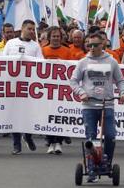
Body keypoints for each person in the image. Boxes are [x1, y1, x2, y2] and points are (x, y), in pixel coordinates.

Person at [70, 33, 124, 183]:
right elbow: (74, 81)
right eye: (89, 45)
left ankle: (106, 162)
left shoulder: (111, 61)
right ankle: (91, 167)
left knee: (110, 135)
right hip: (89, 105)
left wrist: (123, 93)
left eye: (95, 45)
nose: (92, 48)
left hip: (107, 104)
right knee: (91, 137)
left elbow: (121, 81)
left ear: (103, 44)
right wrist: (81, 93)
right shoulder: (83, 62)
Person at [3, 19, 42, 154]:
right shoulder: (11, 43)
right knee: (15, 115)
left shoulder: (35, 46)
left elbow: (41, 64)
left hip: (29, 86)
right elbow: (2, 62)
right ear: (22, 28)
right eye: (29, 29)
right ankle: (16, 144)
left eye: (33, 29)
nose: (31, 31)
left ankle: (28, 136)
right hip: (13, 85)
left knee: (29, 114)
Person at [41, 26, 72, 154]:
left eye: (58, 36)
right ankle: (50, 142)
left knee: (59, 116)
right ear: (49, 38)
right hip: (47, 88)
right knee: (48, 116)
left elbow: (71, 68)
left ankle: (58, 142)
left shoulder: (67, 51)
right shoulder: (43, 50)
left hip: (61, 89)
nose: (55, 38)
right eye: (53, 36)